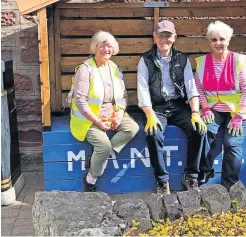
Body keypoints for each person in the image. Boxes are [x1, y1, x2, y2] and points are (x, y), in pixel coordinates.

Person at [137, 20, 206, 195]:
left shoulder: (182, 59)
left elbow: (191, 88)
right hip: (156, 107)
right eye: (160, 35)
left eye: (168, 36)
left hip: (178, 106)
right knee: (153, 133)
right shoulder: (145, 59)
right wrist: (149, 113)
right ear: (154, 37)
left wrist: (195, 113)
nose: (164, 39)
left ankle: (191, 176)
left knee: (199, 130)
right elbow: (142, 89)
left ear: (174, 38)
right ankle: (162, 180)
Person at [69, 30, 139, 192]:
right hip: (88, 119)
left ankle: (96, 157)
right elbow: (80, 101)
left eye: (109, 46)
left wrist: (120, 113)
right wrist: (98, 121)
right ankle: (91, 179)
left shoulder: (114, 68)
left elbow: (122, 96)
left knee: (132, 128)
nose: (106, 49)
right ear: (94, 47)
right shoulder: (85, 69)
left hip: (111, 113)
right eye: (102, 45)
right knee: (104, 146)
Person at [195, 21, 246, 191]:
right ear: (209, 42)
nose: (218, 43)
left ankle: (230, 185)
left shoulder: (237, 61)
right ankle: (205, 174)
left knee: (232, 142)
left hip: (239, 111)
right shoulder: (202, 62)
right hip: (214, 108)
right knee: (204, 131)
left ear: (228, 40)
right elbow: (198, 87)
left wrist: (238, 116)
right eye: (214, 40)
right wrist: (205, 107)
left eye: (222, 39)